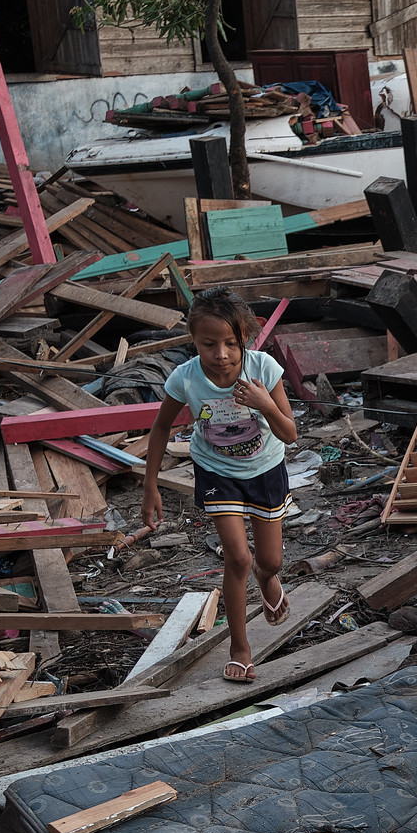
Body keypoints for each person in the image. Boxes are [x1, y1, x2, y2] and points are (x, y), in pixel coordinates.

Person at [140, 290, 298, 684]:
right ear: (194, 341)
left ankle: (267, 579)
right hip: (216, 472)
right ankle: (241, 649)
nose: (221, 354)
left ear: (243, 339)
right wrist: (150, 485)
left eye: (230, 344)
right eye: (209, 345)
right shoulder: (186, 378)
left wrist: (264, 403)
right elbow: (161, 428)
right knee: (238, 559)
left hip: (265, 468)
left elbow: (290, 434)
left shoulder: (263, 369)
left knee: (270, 561)